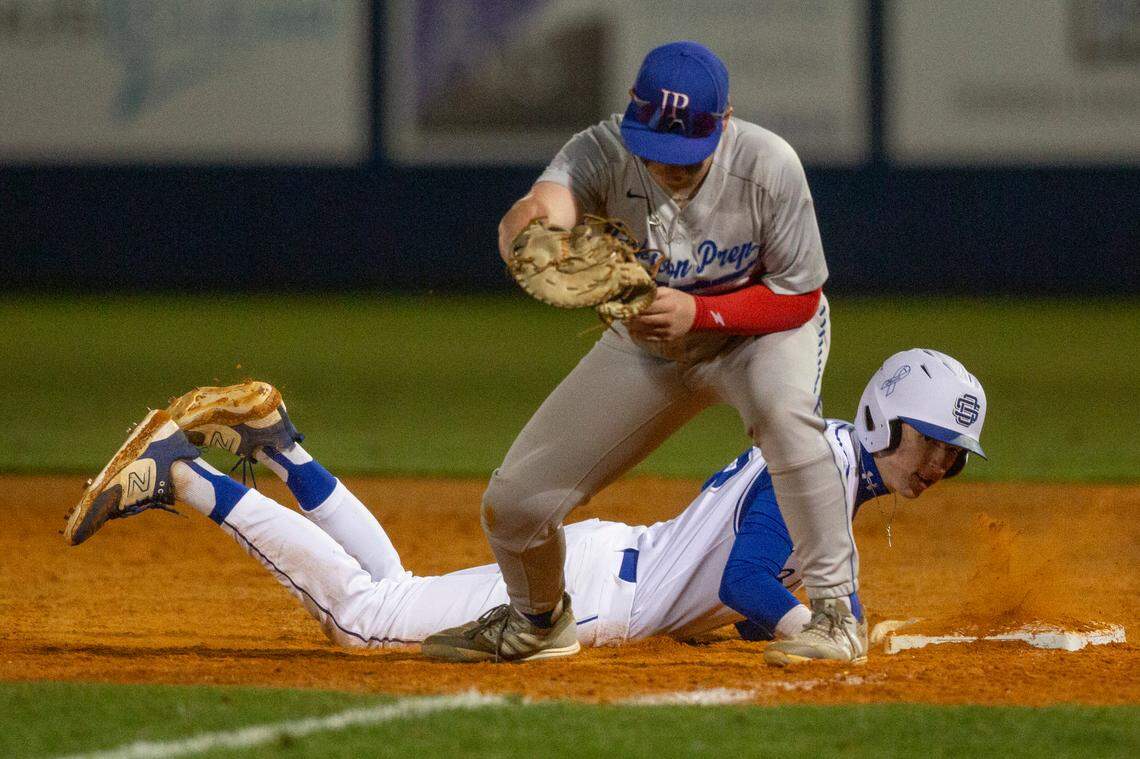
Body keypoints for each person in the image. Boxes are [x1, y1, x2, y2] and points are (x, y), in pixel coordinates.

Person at [63, 349, 987, 665]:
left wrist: (816, 621)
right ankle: (185, 473)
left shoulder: (824, 461)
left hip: (606, 569)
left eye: (953, 456)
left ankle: (280, 443)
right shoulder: (822, 468)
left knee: (393, 587)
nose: (939, 463)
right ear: (881, 416)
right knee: (362, 618)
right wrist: (814, 628)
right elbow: (752, 577)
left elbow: (748, 588)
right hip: (597, 596)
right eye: (930, 438)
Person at [425, 39, 851, 662]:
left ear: (724, 122)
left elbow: (800, 297)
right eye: (658, 151)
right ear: (631, 111)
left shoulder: (768, 165)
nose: (670, 167)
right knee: (516, 501)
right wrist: (530, 232)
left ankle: (837, 615)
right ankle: (538, 621)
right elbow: (541, 206)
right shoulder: (601, 151)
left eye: (688, 154)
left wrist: (701, 311)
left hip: (760, 335)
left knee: (788, 422)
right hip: (650, 346)